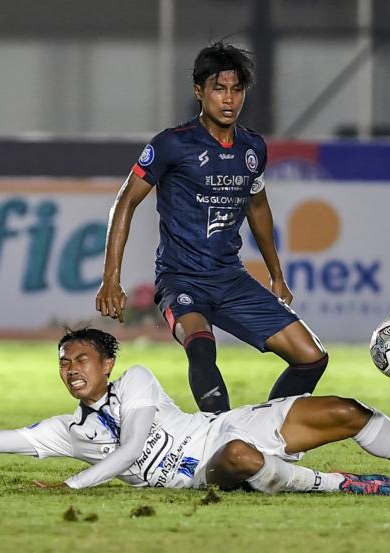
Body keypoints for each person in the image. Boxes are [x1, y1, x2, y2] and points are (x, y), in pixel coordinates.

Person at [0, 327, 390, 495]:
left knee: (349, 409)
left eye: (82, 359)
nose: (72, 369)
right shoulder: (68, 430)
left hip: (230, 423)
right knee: (241, 463)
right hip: (209, 466)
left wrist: (72, 483)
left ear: (107, 365)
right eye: (64, 362)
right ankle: (338, 485)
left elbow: (129, 448)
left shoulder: (136, 381)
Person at [96, 41, 328, 414]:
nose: (229, 99)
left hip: (231, 280)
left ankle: (267, 437)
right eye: (219, 88)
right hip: (181, 280)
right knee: (202, 348)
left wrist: (276, 274)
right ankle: (220, 442)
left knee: (312, 357)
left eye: (237, 89)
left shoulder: (252, 148)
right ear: (199, 91)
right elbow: (126, 202)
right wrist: (111, 278)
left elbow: (258, 206)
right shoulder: (172, 145)